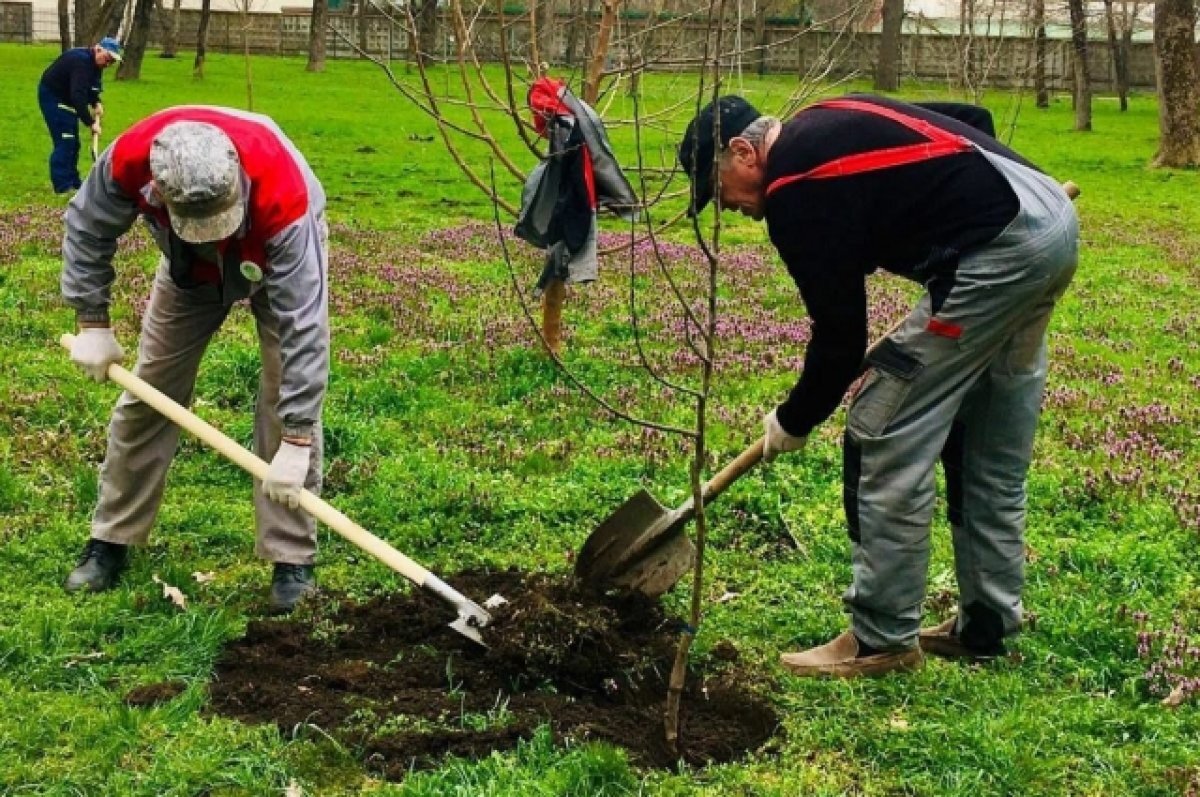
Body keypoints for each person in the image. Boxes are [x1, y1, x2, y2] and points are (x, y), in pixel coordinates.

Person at [679, 94, 1078, 677]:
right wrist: (979, 215)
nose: (730, 207)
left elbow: (841, 340)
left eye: (719, 191)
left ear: (744, 152)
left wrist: (793, 419)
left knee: (881, 426)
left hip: (1002, 253)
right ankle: (986, 625)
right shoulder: (832, 115)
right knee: (984, 440)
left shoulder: (796, 186)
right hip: (1045, 220)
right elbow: (972, 120)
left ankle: (881, 637)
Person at [60, 106, 330, 613]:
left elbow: (305, 325)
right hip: (188, 269)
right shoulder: (130, 160)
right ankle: (111, 538)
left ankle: (290, 558)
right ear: (161, 191)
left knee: (284, 397)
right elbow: (88, 225)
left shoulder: (285, 197)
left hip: (273, 260)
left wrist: (296, 439)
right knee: (150, 392)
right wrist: (92, 320)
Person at [38, 37, 123, 194]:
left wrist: (96, 102)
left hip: (67, 99)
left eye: (112, 62)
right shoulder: (81, 62)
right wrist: (91, 123)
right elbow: (78, 95)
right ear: (98, 49)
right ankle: (63, 185)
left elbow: (92, 89)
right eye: (107, 59)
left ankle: (74, 182)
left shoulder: (96, 65)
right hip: (53, 97)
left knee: (74, 144)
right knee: (65, 141)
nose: (108, 64)